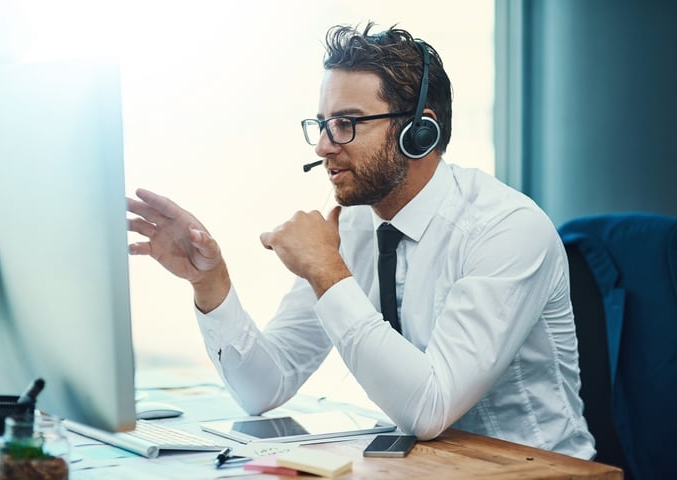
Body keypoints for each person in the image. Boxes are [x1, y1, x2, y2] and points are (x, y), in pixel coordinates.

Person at [127, 22, 596, 459]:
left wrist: (326, 271)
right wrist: (210, 283)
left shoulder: (506, 228)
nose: (323, 146)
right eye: (322, 123)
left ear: (419, 131)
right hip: (424, 467)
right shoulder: (352, 227)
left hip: (534, 469)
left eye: (347, 123)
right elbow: (262, 389)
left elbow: (429, 409)